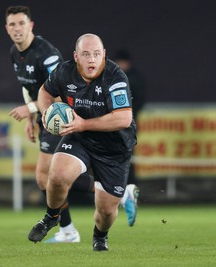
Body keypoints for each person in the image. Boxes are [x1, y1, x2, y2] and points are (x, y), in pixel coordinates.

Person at [28, 33, 137, 251]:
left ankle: (100, 236)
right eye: (86, 54)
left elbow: (123, 118)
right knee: (56, 175)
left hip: (114, 148)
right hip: (80, 138)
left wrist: (83, 124)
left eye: (97, 54)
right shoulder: (64, 72)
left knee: (105, 212)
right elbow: (44, 92)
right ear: (76, 56)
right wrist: (47, 113)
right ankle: (51, 217)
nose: (92, 59)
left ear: (104, 55)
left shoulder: (114, 77)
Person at [5, 6, 93, 243]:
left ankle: (112, 193)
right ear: (7, 28)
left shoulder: (46, 53)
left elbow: (61, 90)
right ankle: (68, 229)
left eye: (21, 23)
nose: (17, 29)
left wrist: (30, 109)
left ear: (31, 25)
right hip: (45, 117)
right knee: (48, 179)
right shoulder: (15, 52)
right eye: (12, 24)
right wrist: (32, 117)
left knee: (47, 177)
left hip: (62, 116)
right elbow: (27, 86)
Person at [114, 49, 146, 188]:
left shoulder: (132, 79)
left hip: (127, 125)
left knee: (127, 156)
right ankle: (117, 188)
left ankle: (129, 188)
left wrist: (126, 116)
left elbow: (139, 101)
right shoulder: (113, 77)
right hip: (113, 124)